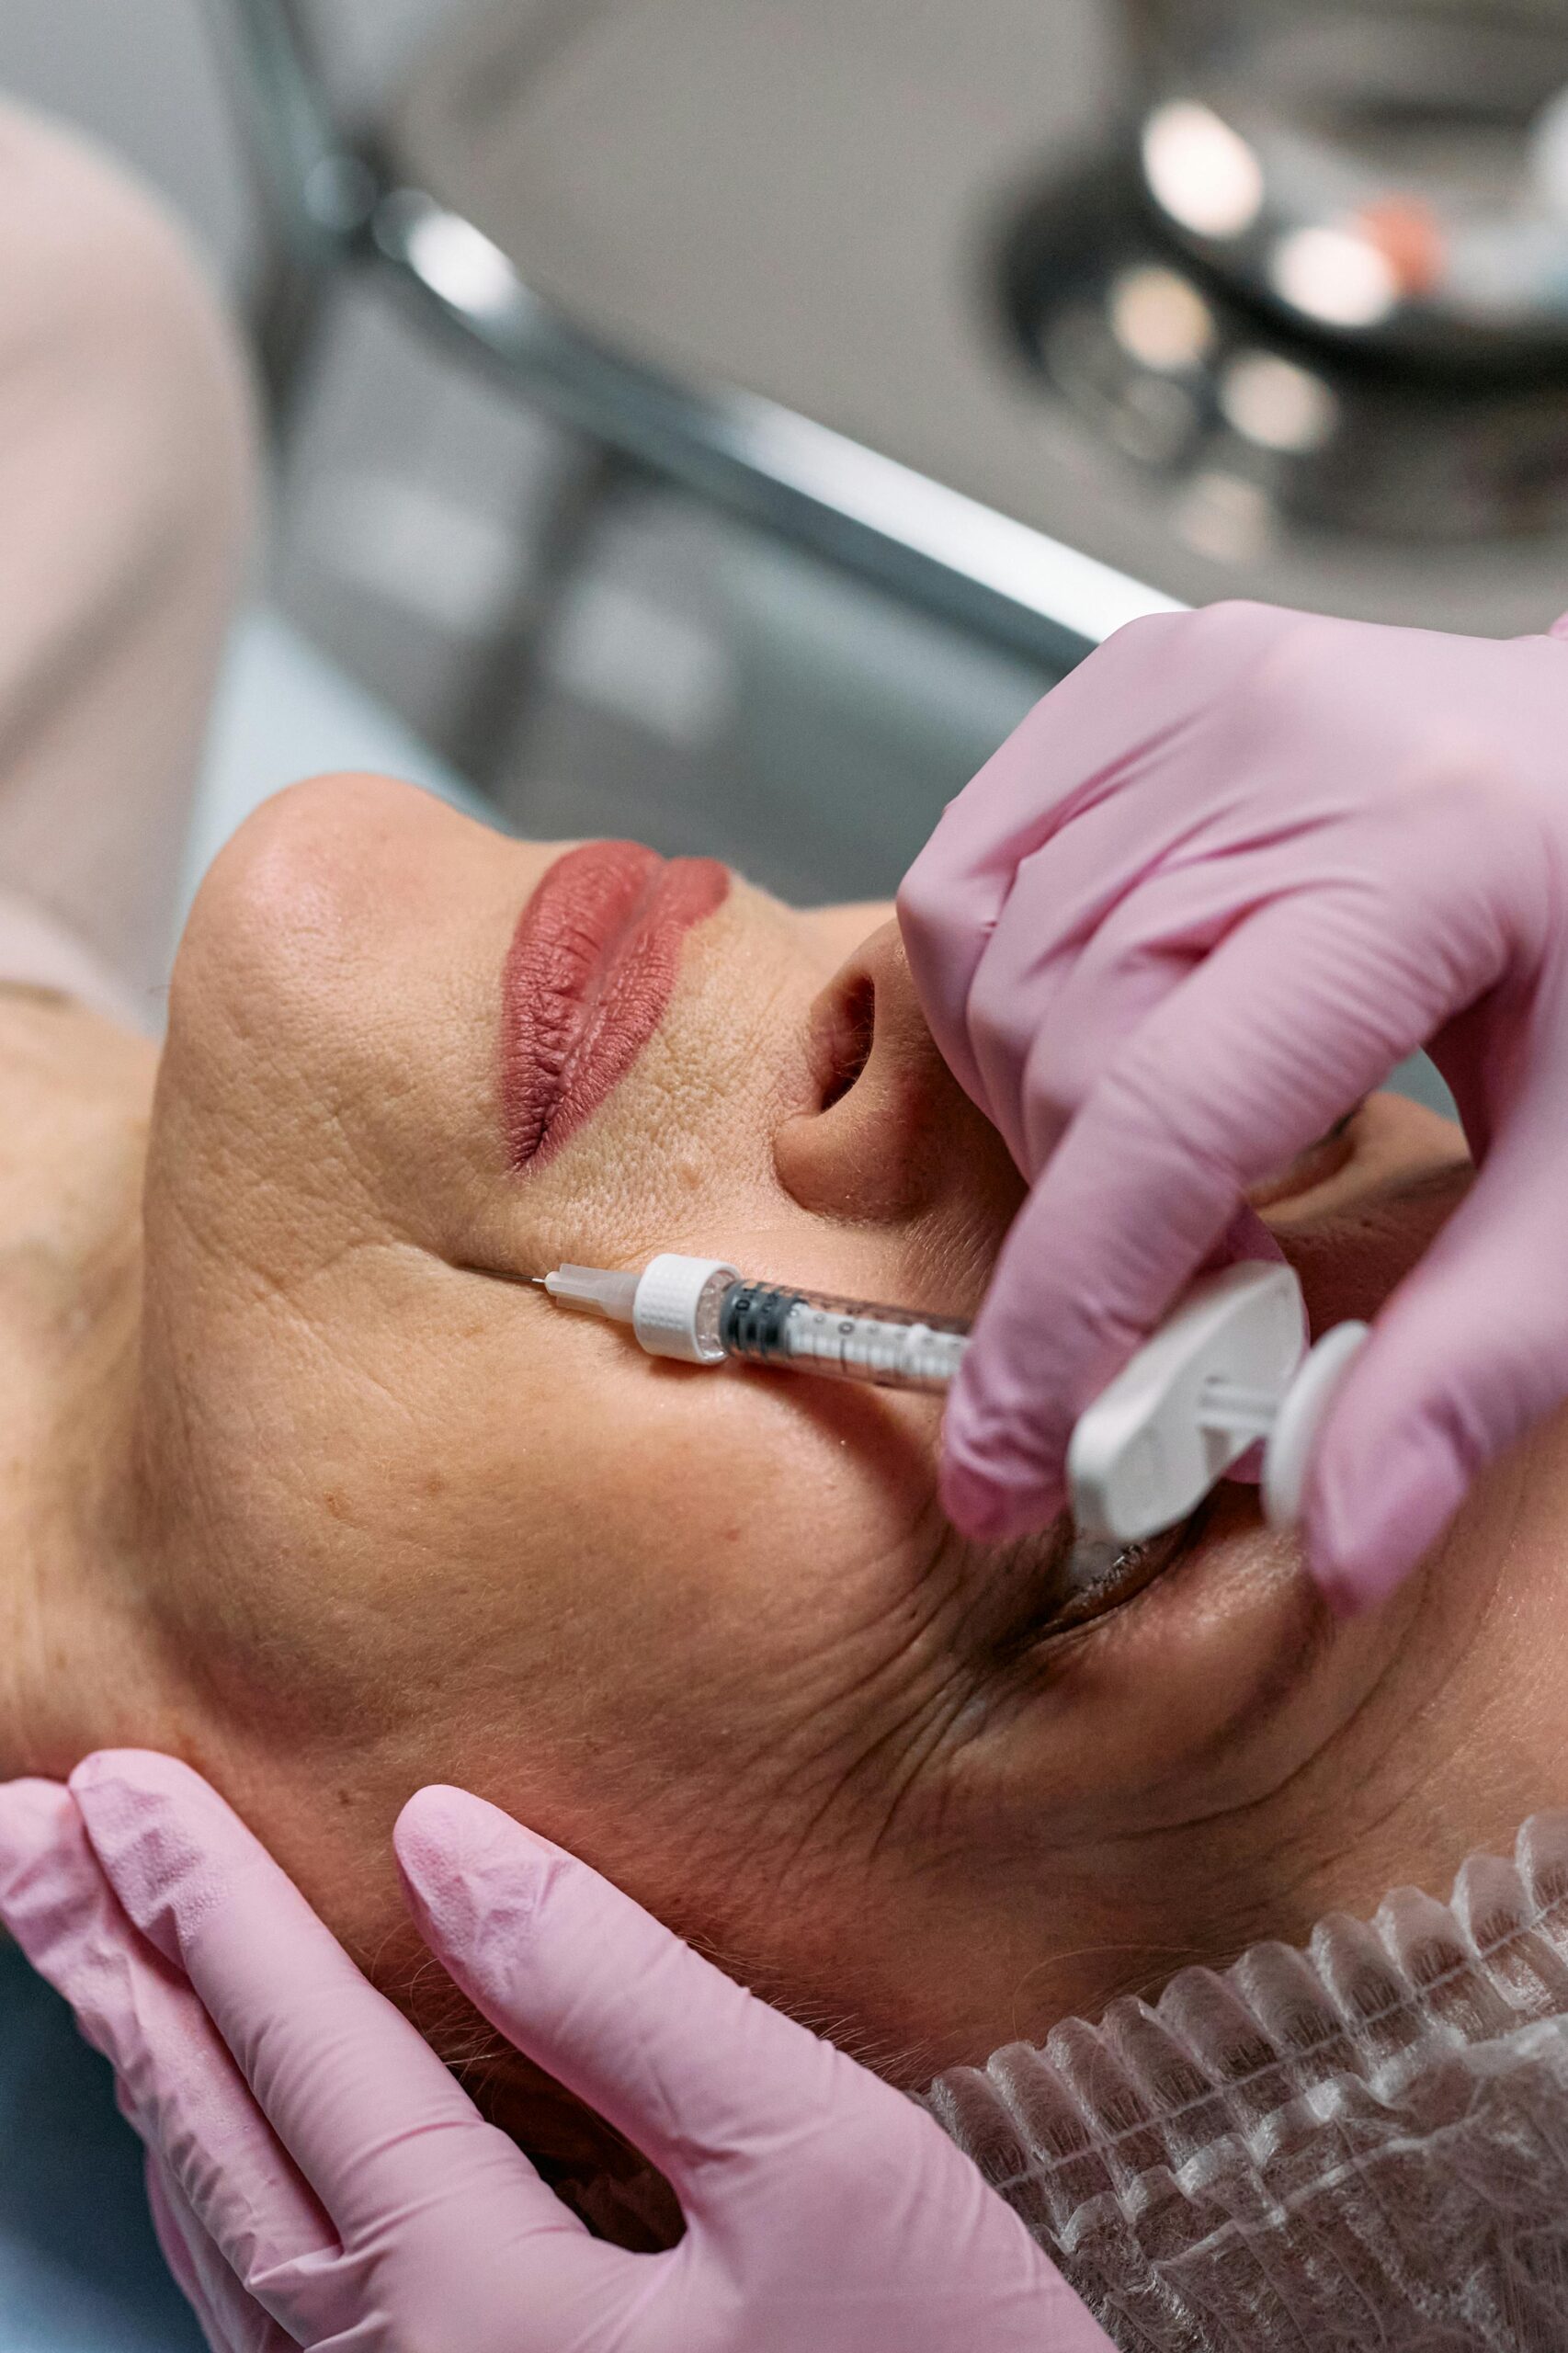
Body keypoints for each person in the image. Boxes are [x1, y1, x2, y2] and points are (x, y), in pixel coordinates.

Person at [8, 80, 1568, 2353]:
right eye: (1324, 1112)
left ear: (597, 2167)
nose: (923, 1014)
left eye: (1128, 1503)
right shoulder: (67, 393)